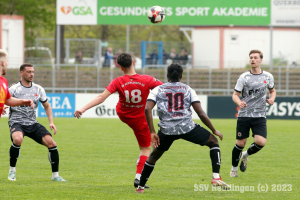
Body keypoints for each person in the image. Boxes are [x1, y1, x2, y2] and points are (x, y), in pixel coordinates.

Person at [136, 63, 230, 193]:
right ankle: (216, 177)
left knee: (154, 156)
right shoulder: (188, 89)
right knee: (213, 142)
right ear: (181, 76)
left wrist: (152, 131)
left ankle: (140, 187)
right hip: (187, 128)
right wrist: (213, 130)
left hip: (166, 130)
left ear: (167, 75)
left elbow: (147, 108)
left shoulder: (157, 89)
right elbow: (200, 113)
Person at [74, 53, 163, 188]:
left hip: (124, 114)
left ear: (121, 68)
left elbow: (101, 97)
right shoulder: (147, 79)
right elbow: (166, 89)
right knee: (145, 148)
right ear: (133, 62)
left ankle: (139, 178)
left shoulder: (118, 81)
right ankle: (139, 178)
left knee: (142, 142)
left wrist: (83, 109)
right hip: (139, 118)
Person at [7, 63, 66, 182]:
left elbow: (47, 106)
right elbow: (4, 99)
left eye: (33, 72)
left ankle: (55, 176)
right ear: (21, 73)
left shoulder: (38, 89)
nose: (31, 74)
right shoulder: (14, 88)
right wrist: (2, 107)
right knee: (18, 139)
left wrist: (51, 122)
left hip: (32, 123)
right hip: (17, 122)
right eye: (28, 72)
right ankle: (12, 171)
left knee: (52, 143)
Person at [230, 49, 276, 177]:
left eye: (255, 57)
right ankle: (234, 169)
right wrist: (239, 103)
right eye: (251, 57)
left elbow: (272, 91)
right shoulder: (244, 77)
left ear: (260, 60)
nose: (253, 59)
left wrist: (272, 99)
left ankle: (245, 155)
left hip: (260, 115)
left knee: (261, 142)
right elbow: (235, 95)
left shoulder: (268, 76)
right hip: (244, 115)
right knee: (240, 143)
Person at [0, 49, 34, 118]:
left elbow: (8, 99)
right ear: (3, 63)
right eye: (7, 62)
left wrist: (23, 101)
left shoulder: (3, 81)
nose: (7, 64)